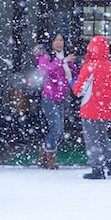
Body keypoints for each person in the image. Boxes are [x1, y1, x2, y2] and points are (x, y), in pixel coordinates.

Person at [72, 35, 111, 179]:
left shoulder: (89, 68)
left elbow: (78, 91)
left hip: (90, 109)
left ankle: (97, 169)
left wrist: (73, 81)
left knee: (92, 140)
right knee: (103, 137)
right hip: (106, 110)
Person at [36, 31, 79, 169]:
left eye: (61, 40)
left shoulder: (63, 56)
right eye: (56, 40)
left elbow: (73, 74)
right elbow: (44, 70)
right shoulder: (46, 56)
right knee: (56, 128)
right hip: (49, 97)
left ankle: (43, 157)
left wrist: (76, 64)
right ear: (51, 42)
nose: (59, 43)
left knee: (57, 129)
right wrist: (62, 61)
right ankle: (50, 159)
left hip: (61, 97)